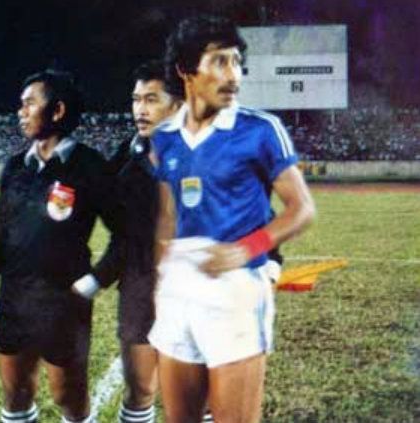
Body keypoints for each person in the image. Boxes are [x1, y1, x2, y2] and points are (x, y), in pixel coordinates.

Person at [149, 15, 316, 423]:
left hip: (236, 290)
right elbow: (168, 213)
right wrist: (159, 265)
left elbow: (302, 208)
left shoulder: (260, 130)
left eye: (237, 62)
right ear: (186, 70)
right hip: (178, 291)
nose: (234, 75)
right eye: (220, 62)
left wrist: (246, 251)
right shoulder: (165, 137)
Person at [0, 69, 123, 423]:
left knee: (67, 395)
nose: (20, 112)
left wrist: (93, 281)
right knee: (16, 392)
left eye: (29, 104)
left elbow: (124, 235)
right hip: (15, 298)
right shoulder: (14, 167)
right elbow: (0, 235)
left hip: (63, 302)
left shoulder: (90, 166)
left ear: (57, 111)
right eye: (20, 105)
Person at [106, 60, 181, 423]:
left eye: (151, 99)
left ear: (178, 105)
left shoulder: (208, 153)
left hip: (191, 286)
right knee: (139, 391)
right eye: (136, 99)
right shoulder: (124, 156)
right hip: (138, 285)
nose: (140, 109)